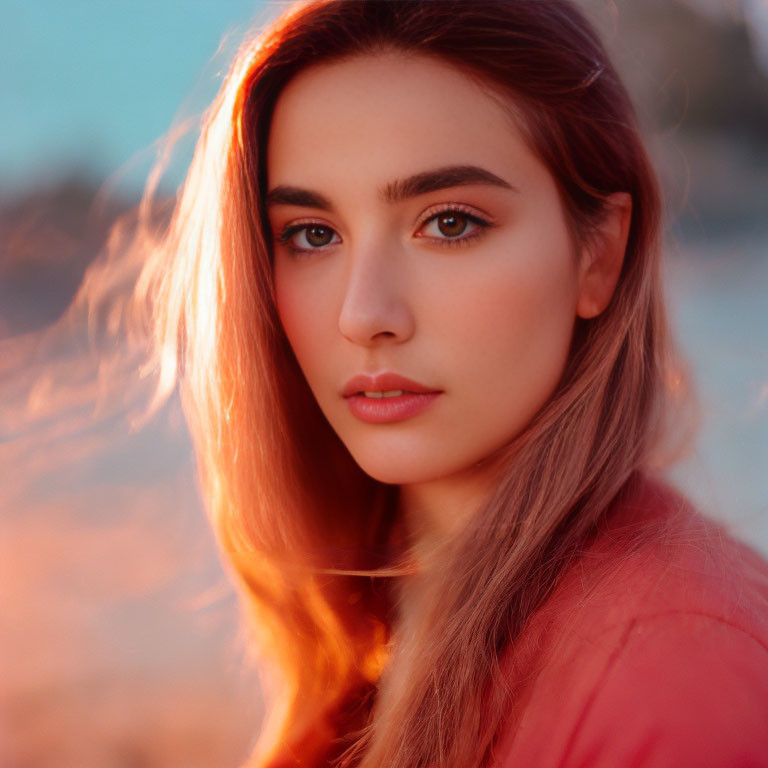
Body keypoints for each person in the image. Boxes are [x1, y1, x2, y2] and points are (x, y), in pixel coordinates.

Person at [131, 0, 768, 765]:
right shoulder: (374, 610)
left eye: (450, 222)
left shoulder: (682, 685)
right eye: (312, 234)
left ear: (597, 254)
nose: (365, 315)